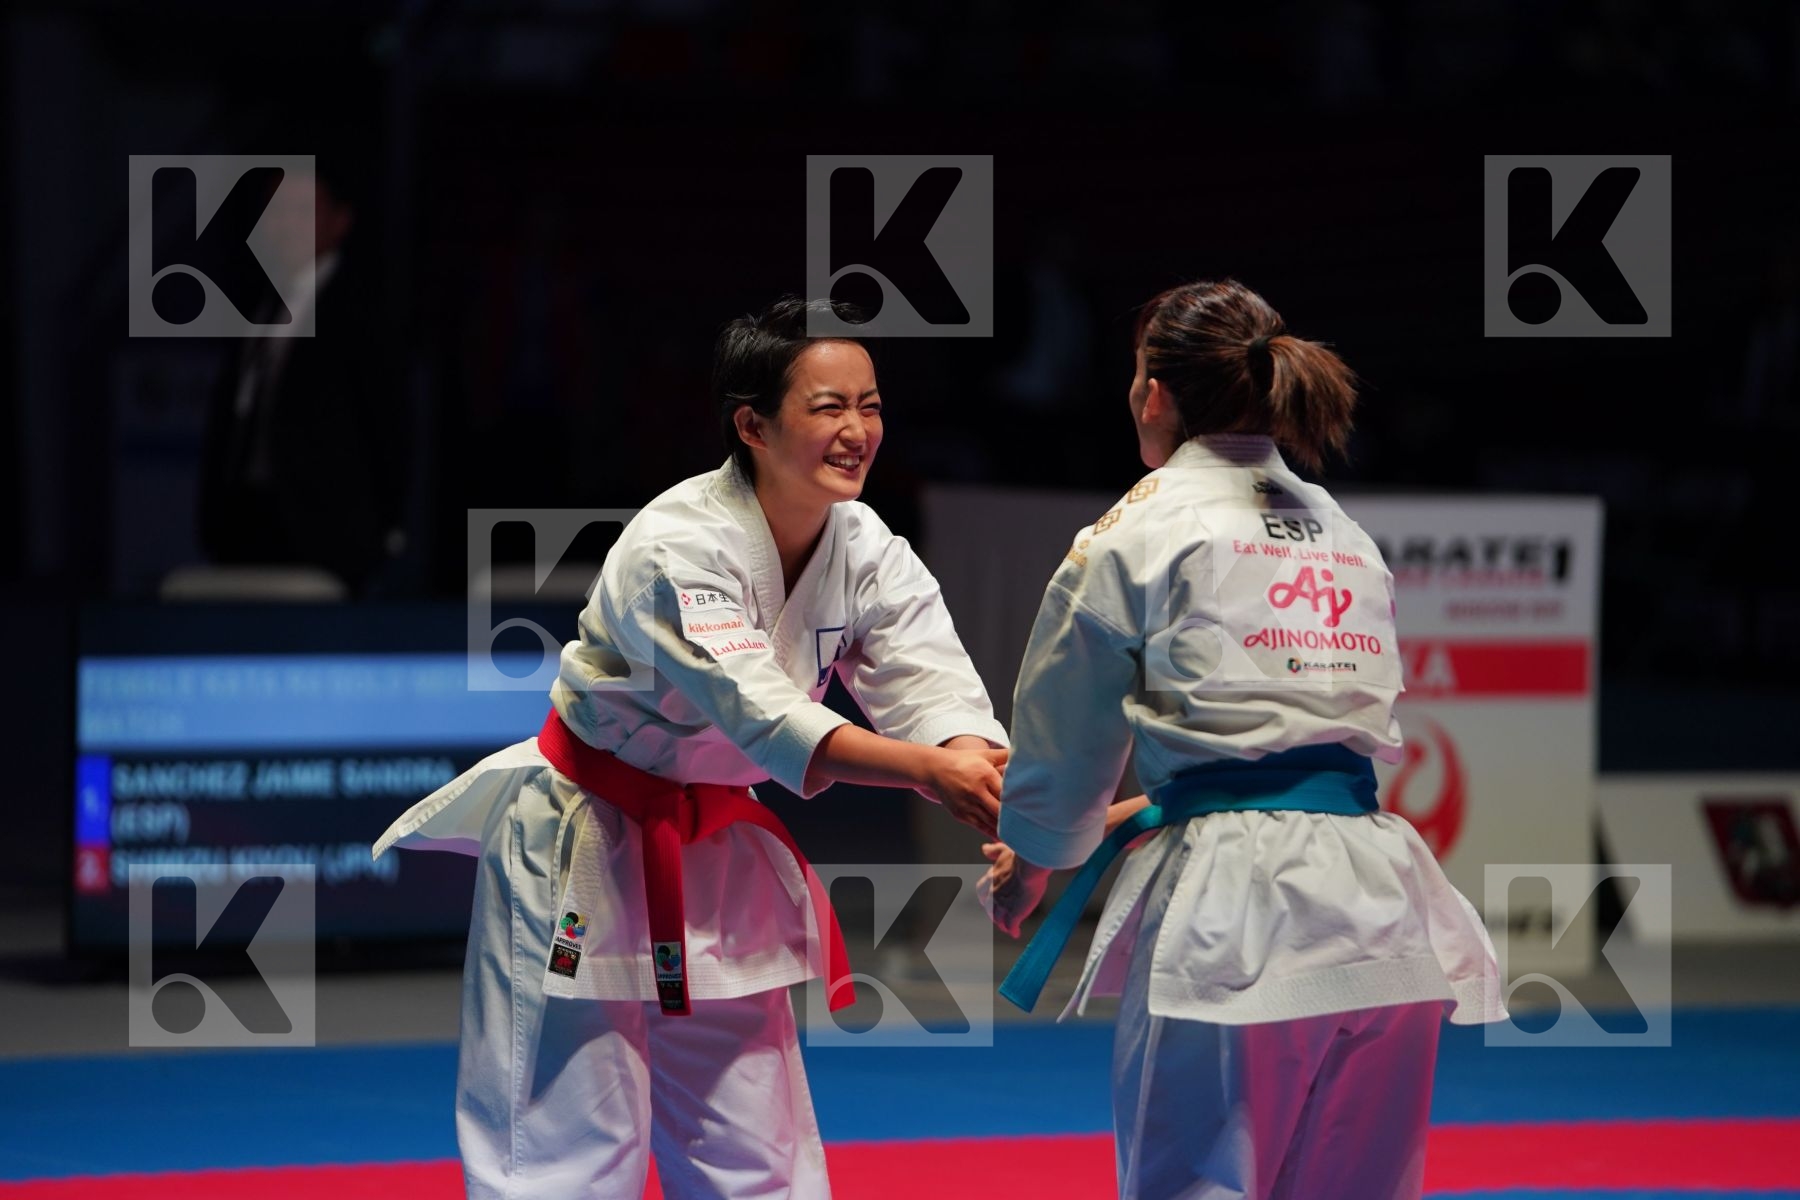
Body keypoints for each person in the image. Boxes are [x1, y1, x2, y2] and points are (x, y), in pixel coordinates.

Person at [374, 297, 1009, 1198]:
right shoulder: (679, 545)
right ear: (752, 423)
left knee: (757, 1152)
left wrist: (978, 768)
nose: (858, 429)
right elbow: (760, 709)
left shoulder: (864, 543)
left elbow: (931, 681)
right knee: (562, 1153)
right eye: (829, 407)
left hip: (715, 847)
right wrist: (929, 772)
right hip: (582, 842)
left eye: (870, 405)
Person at [979, 279, 1505, 1200]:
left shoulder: (1138, 528)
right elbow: (1281, 750)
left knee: (1197, 1183)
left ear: (1154, 393)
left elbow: (1065, 732)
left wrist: (1032, 859)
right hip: (1381, 901)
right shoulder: (1342, 528)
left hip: (1237, 914)